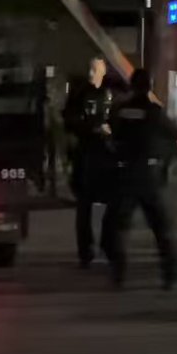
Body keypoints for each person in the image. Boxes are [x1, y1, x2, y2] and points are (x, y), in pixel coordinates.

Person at [103, 68, 177, 289]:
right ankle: (170, 275)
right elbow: (174, 134)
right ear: (150, 86)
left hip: (124, 173)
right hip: (148, 175)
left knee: (116, 226)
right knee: (161, 227)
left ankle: (118, 273)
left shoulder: (120, 110)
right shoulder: (155, 111)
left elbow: (111, 133)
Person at [62, 57, 121, 268]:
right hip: (85, 155)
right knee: (84, 205)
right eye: (89, 69)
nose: (91, 73)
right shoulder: (79, 95)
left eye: (95, 69)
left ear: (103, 71)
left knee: (115, 203)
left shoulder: (112, 94)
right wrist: (93, 128)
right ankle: (85, 252)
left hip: (107, 155)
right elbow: (69, 121)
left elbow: (120, 120)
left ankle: (108, 245)